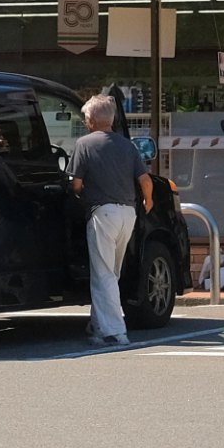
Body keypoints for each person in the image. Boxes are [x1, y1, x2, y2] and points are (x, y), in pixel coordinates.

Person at [69, 93, 150, 345]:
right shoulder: (128, 145)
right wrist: (149, 201)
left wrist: (78, 195)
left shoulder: (85, 144)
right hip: (129, 212)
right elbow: (145, 180)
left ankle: (115, 331)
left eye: (85, 118)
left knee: (102, 273)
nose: (85, 122)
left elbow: (76, 182)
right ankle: (96, 325)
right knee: (112, 273)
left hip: (102, 213)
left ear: (92, 119)